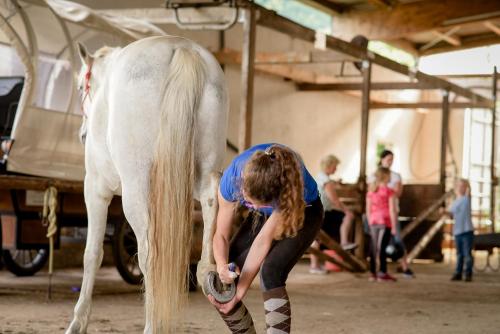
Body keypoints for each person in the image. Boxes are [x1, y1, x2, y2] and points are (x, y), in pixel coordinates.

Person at [208, 143, 323, 333]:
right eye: (249, 202)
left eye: (257, 205)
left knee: (271, 271)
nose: (251, 206)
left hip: (304, 211)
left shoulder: (290, 188)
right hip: (266, 210)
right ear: (244, 185)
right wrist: (222, 267)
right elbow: (220, 234)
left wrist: (239, 294)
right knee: (227, 277)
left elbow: (263, 241)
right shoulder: (232, 178)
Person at [370, 149, 414, 278]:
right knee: (377, 244)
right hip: (378, 216)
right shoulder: (373, 175)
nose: (390, 162)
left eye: (392, 160)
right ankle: (379, 270)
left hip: (390, 213)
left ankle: (404, 266)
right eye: (388, 159)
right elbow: (372, 194)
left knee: (397, 239)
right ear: (382, 159)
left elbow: (397, 194)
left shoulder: (396, 176)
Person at [309, 154, 357, 274]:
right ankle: (344, 241)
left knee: (316, 238)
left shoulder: (319, 177)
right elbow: (334, 200)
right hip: (324, 213)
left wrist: (337, 182)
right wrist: (347, 211)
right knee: (348, 216)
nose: (336, 169)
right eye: (335, 166)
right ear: (329, 166)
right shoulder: (327, 181)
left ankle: (314, 265)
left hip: (315, 211)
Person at [366, 167, 397, 282]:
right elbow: (392, 210)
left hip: (373, 221)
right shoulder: (389, 191)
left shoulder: (371, 190)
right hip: (385, 221)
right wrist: (393, 227)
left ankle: (373, 273)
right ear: (385, 176)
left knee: (374, 247)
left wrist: (370, 222)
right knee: (382, 248)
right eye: (389, 175)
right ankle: (382, 273)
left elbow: (368, 209)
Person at [441, 178, 474, 282]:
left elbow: (469, 193)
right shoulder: (455, 202)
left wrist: (468, 187)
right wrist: (443, 212)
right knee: (459, 254)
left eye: (463, 186)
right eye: (459, 186)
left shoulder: (466, 199)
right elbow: (450, 213)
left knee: (467, 254)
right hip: (458, 231)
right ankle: (458, 273)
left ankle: (468, 273)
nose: (461, 188)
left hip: (467, 230)